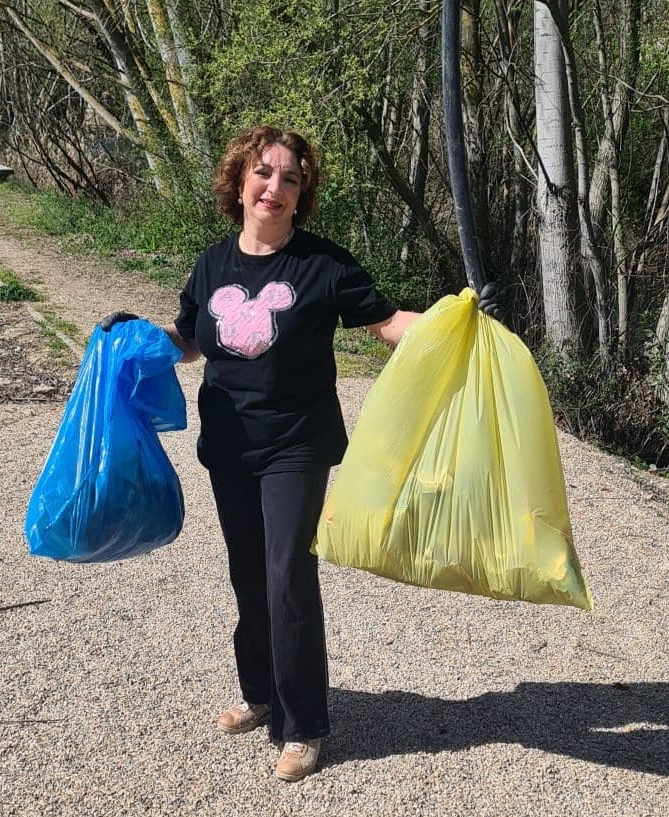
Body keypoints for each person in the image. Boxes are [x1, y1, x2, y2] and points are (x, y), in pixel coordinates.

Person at [101, 125, 499, 781]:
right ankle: (261, 694)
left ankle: (304, 724)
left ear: (300, 194)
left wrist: (449, 319)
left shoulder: (324, 265)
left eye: (289, 178)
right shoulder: (211, 264)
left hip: (296, 446)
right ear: (238, 181)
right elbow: (191, 341)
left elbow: (385, 321)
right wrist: (137, 337)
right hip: (229, 445)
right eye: (263, 173)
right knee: (248, 576)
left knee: (287, 576)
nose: (275, 187)